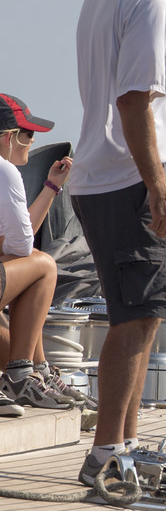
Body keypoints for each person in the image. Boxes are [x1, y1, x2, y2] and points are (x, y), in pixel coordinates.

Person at [73, 0, 166, 486]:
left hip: (99, 179)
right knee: (137, 317)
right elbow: (134, 99)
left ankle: (126, 448)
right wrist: (159, 187)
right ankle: (106, 455)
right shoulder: (148, 3)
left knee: (141, 315)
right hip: (127, 180)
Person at [0, 96, 80, 414]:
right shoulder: (5, 171)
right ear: (8, 137)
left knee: (10, 345)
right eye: (28, 134)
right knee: (44, 265)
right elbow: (22, 249)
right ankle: (24, 376)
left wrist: (50, 186)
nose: (32, 142)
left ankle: (36, 370)